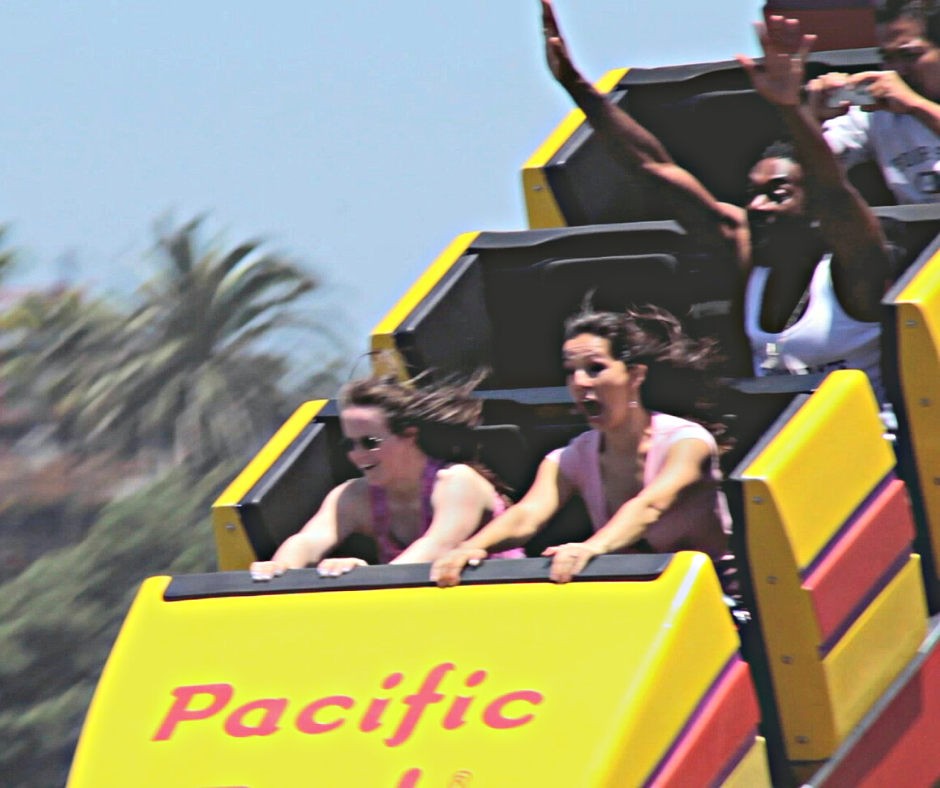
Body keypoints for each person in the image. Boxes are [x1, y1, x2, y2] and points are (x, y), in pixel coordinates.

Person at [535, 2, 895, 402]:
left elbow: (833, 190)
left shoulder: (856, 264)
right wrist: (576, 85)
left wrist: (789, 108)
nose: (757, 207)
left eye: (777, 195)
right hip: (782, 443)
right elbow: (655, 168)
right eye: (752, 194)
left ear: (813, 206)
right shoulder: (748, 249)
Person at [431, 306, 739, 589]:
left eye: (595, 368)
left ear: (635, 375)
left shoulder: (687, 442)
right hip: (633, 596)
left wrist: (592, 547)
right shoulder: (571, 457)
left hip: (712, 594)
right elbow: (528, 514)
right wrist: (472, 547)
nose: (579, 381)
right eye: (571, 370)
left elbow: (650, 507)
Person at [249, 374, 522, 581]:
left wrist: (366, 580)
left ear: (409, 436)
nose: (357, 455)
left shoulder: (456, 481)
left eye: (370, 442)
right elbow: (308, 541)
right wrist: (279, 569)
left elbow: (438, 546)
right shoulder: (354, 495)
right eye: (350, 444)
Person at [808, 0, 940, 204]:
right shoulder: (874, 114)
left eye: (908, 55)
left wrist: (915, 105)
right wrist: (812, 120)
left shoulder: (907, 103)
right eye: (887, 58)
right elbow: (808, 172)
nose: (897, 70)